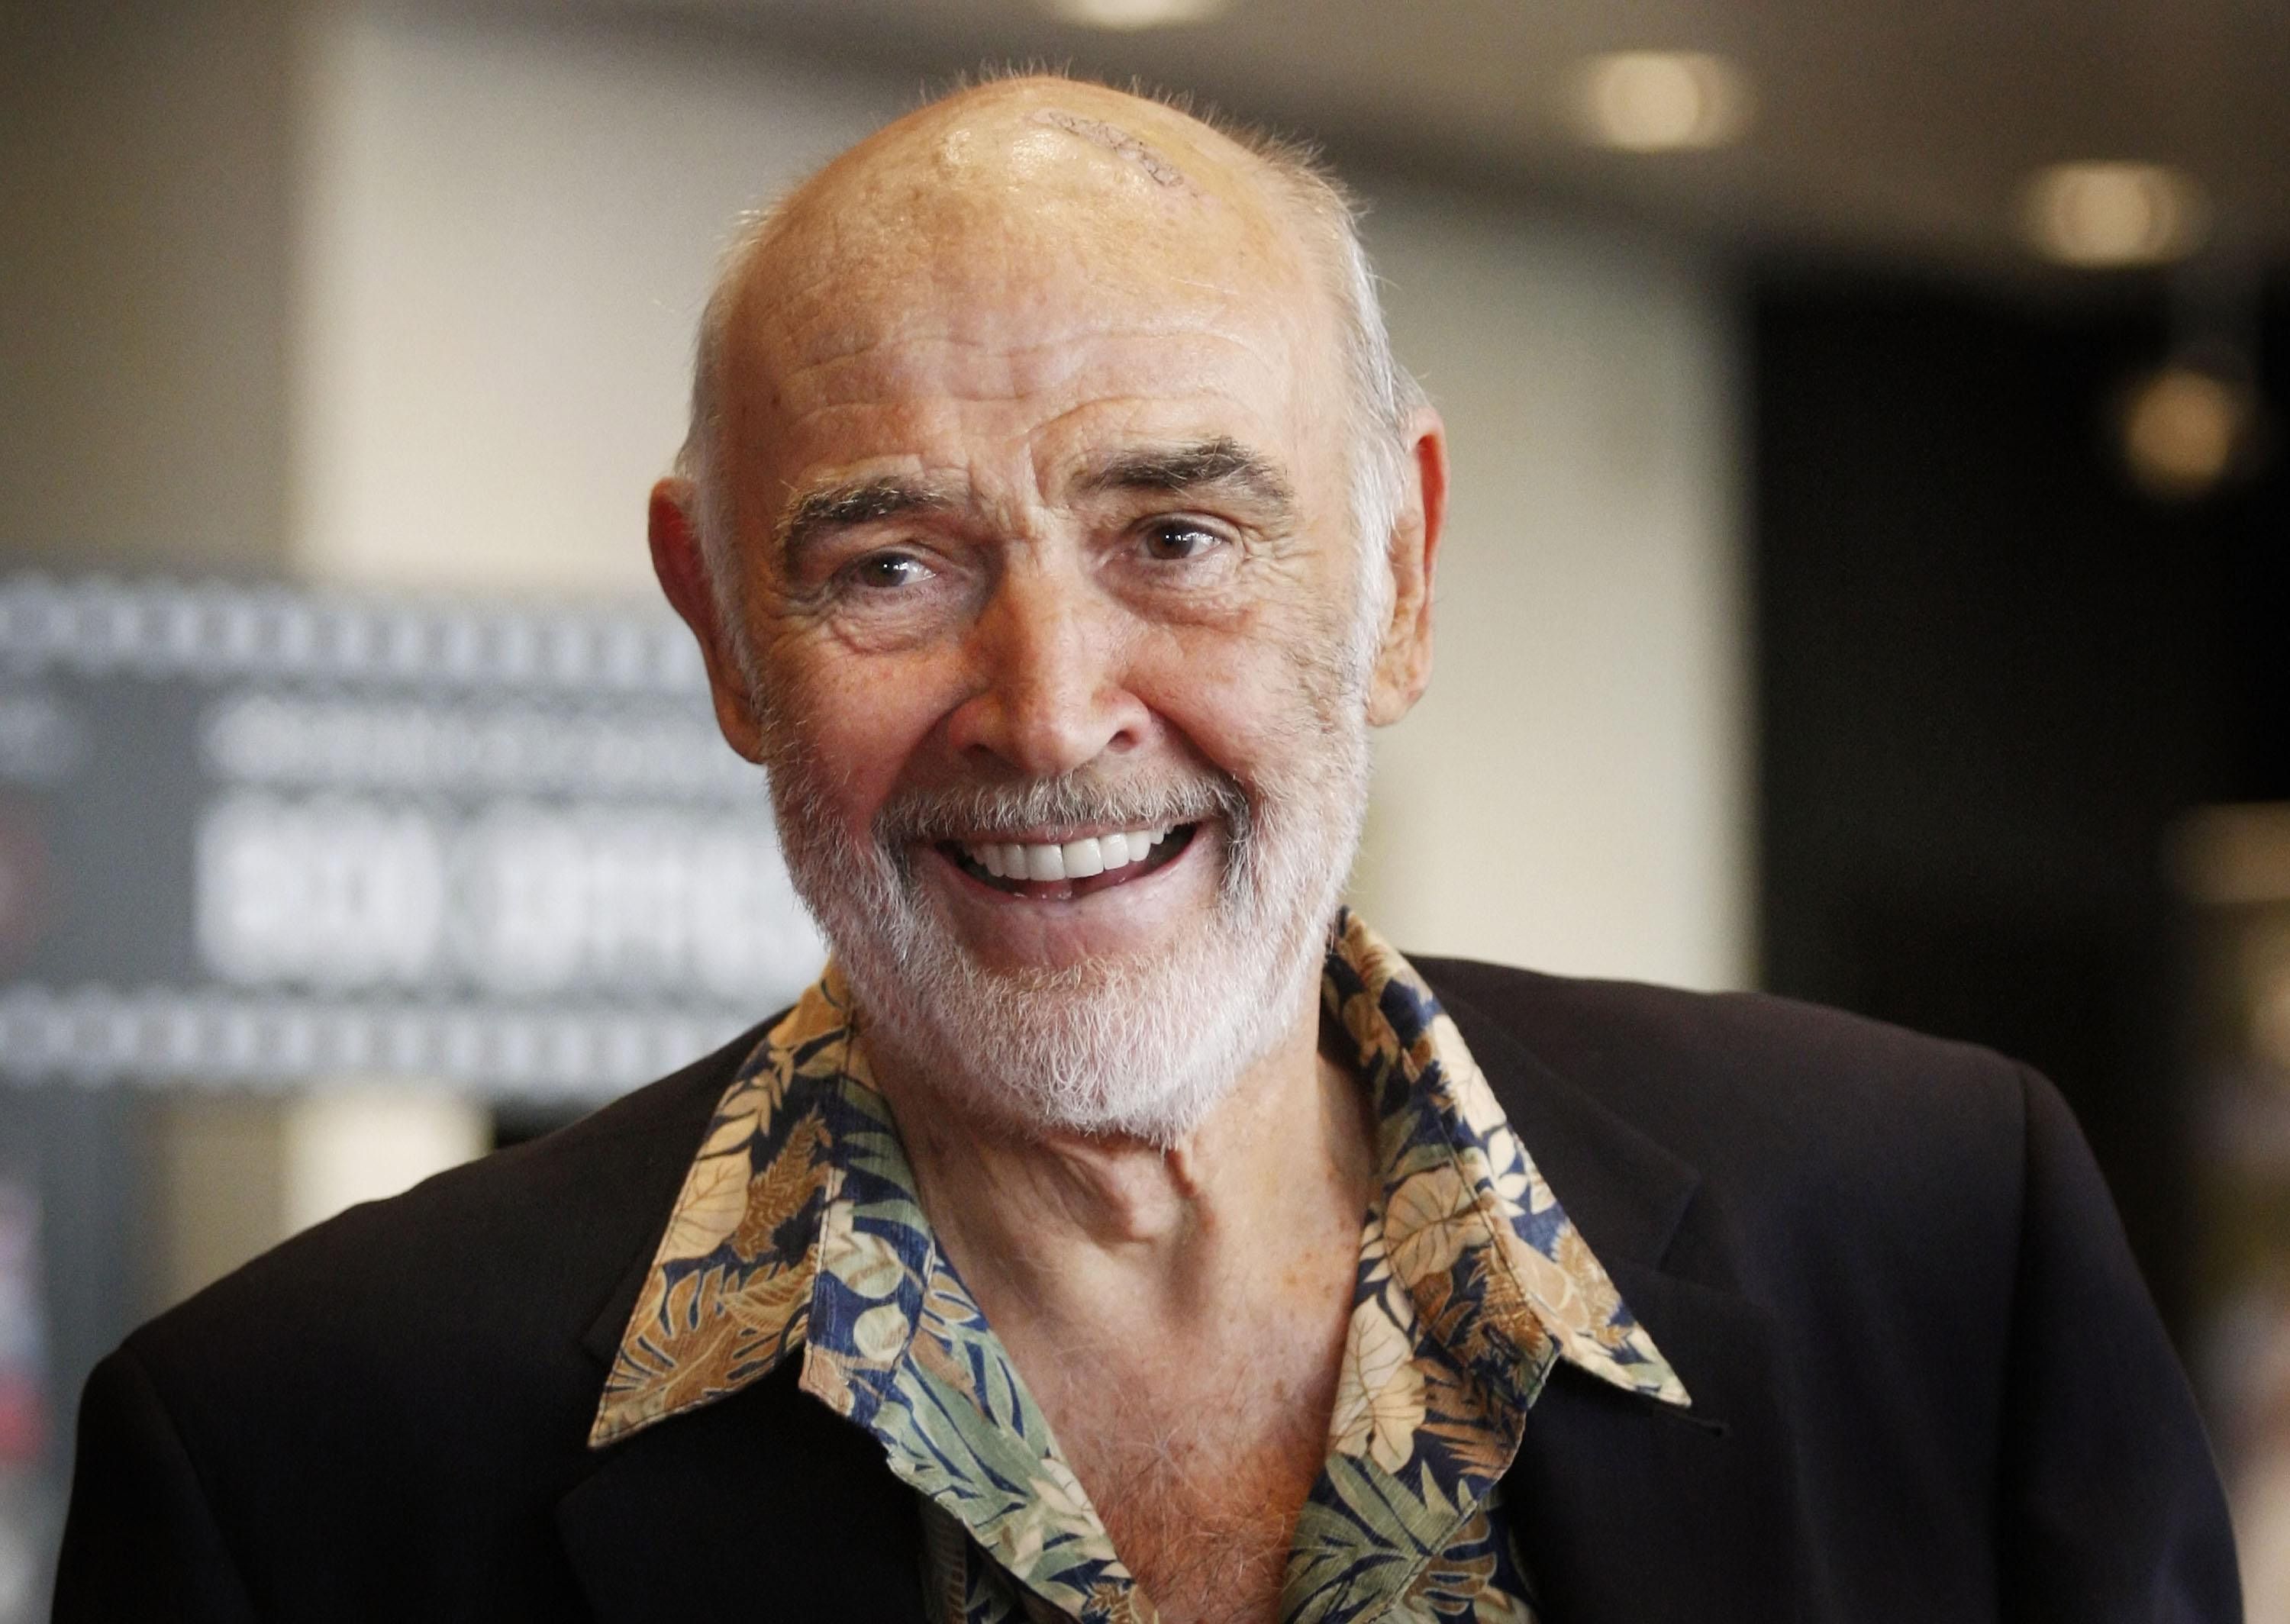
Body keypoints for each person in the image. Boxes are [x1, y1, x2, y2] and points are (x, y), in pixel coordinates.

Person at [55, 74, 2238, 1624]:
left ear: (1398, 574)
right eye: (890, 566)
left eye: (1178, 535)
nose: (1052, 709)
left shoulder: (1945, 1249)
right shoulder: (299, 1467)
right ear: (721, 627)